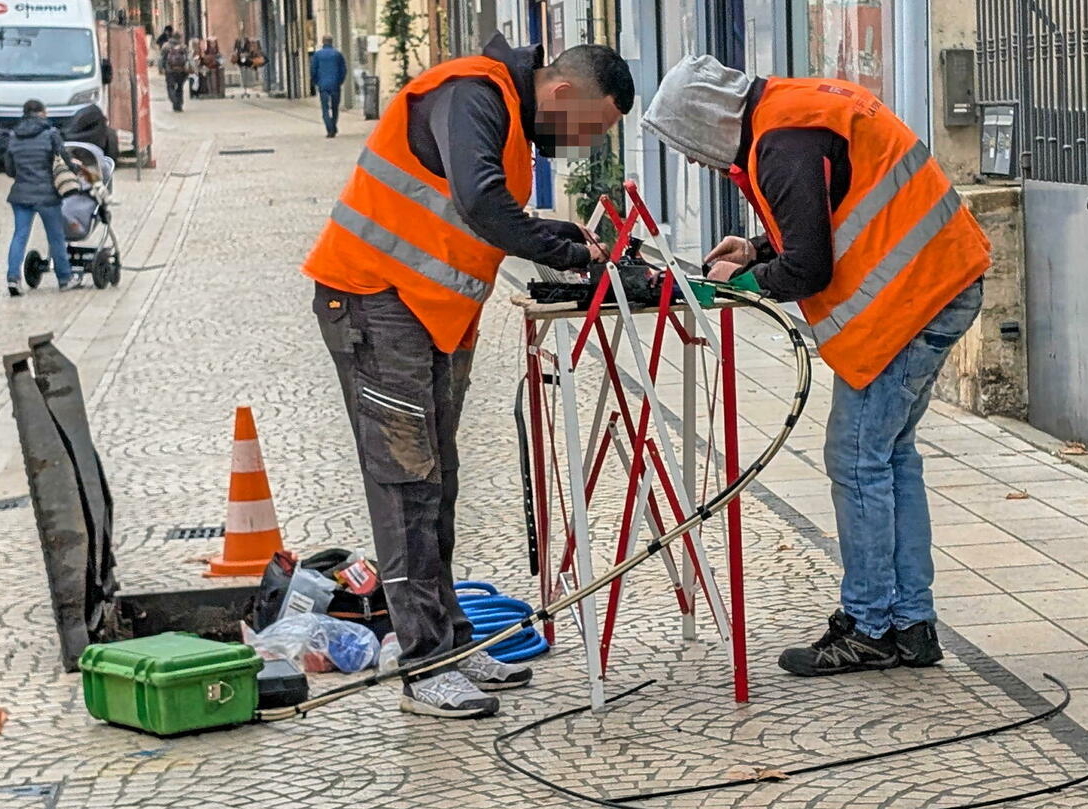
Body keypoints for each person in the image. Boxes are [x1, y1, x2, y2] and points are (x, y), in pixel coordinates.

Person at [303, 34, 633, 719]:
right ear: (563, 94)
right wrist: (564, 254)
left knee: (435, 481)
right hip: (373, 303)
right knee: (405, 485)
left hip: (425, 315)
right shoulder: (471, 93)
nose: (585, 145)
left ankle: (449, 642)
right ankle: (425, 665)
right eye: (591, 127)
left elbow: (473, 216)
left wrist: (568, 240)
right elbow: (482, 203)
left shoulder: (502, 114)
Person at [642, 56, 991, 677]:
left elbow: (809, 267)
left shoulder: (780, 143)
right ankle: (910, 625)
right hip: (943, 280)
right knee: (889, 458)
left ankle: (870, 628)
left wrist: (743, 279)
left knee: (857, 460)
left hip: (914, 300)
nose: (696, 163)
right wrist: (755, 246)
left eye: (690, 147)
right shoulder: (794, 107)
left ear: (710, 120)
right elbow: (828, 207)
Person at [4, 99, 86, 296]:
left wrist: (24, 176)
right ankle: (65, 279)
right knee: (56, 237)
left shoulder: (14, 136)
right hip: (47, 195)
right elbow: (64, 161)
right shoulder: (50, 134)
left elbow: (9, 169)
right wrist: (76, 170)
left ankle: (13, 278)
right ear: (41, 113)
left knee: (19, 236)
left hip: (21, 195)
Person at [310, 35, 348, 137]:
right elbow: (343, 70)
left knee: (325, 108)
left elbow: (313, 70)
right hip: (335, 84)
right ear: (332, 42)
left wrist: (316, 82)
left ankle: (330, 129)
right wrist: (339, 81)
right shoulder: (337, 54)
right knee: (335, 107)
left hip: (323, 85)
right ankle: (333, 126)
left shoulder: (317, 55)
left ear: (323, 42)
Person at [162, 34, 191, 112]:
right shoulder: (183, 47)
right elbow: (188, 58)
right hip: (181, 70)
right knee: (180, 87)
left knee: (170, 87)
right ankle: (179, 105)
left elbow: (163, 59)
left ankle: (174, 100)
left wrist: (163, 68)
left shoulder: (166, 46)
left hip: (170, 70)